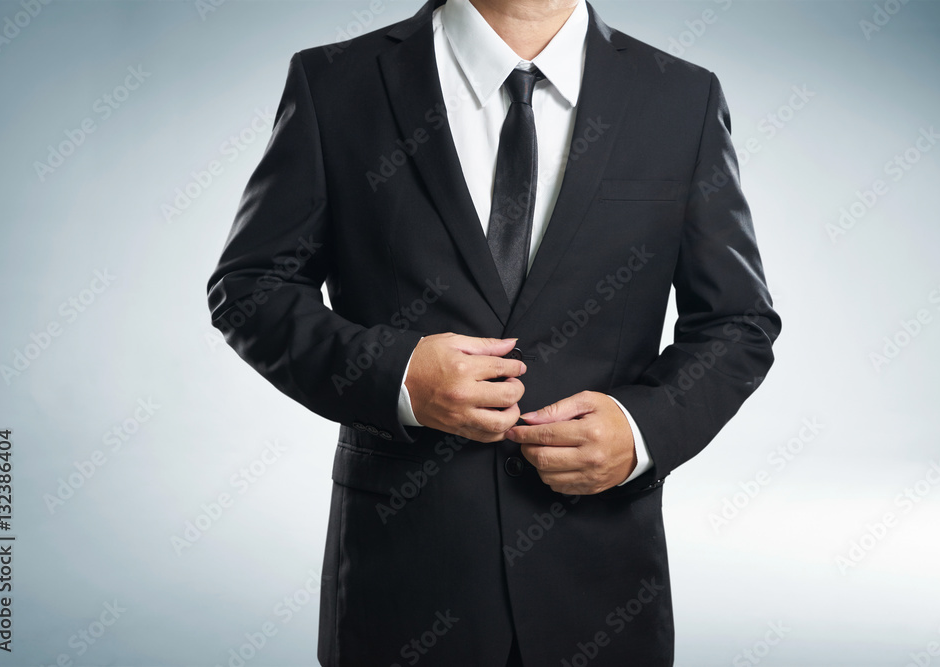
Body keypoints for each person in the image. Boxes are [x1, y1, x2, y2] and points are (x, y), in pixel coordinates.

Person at [206, 0, 780, 664]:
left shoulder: (681, 96)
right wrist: (395, 376)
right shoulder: (337, 82)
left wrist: (642, 427)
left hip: (602, 584)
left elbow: (738, 321)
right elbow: (251, 288)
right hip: (402, 586)